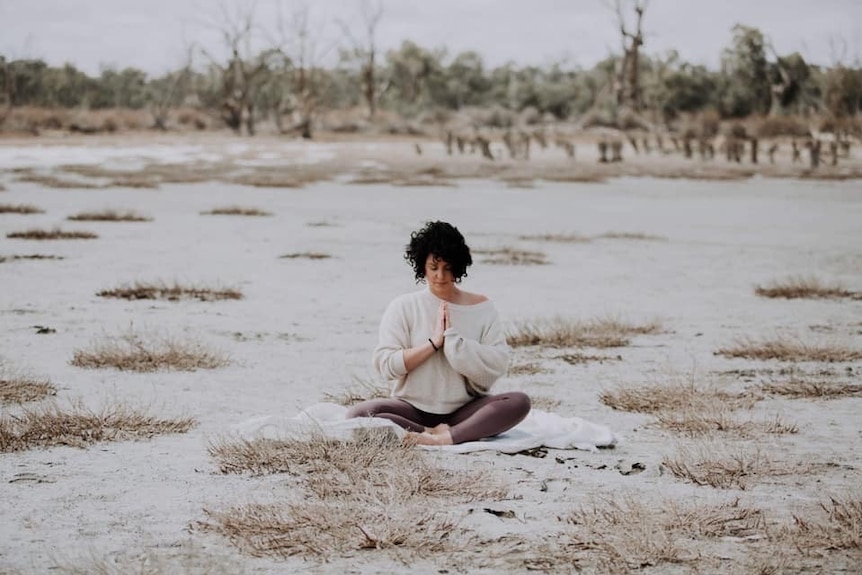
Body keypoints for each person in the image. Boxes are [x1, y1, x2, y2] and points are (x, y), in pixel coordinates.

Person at [347, 220, 531, 445]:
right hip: (413, 409)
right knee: (359, 415)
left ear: (459, 265)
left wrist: (453, 342)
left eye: (448, 267)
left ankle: (446, 437)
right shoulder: (404, 306)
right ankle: (432, 432)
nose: (440, 276)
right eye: (433, 268)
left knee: (519, 402)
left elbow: (497, 365)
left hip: (465, 409)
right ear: (422, 266)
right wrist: (433, 344)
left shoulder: (482, 307)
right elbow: (386, 366)